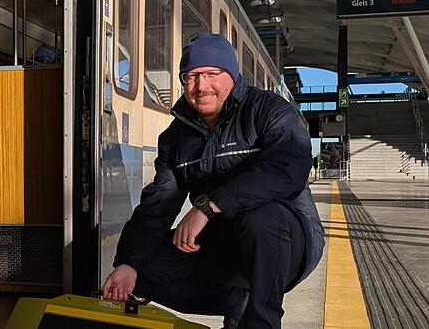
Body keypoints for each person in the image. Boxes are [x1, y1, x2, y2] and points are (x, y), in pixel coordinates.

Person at [101, 33, 324, 329]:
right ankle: (236, 300)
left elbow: (287, 169)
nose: (201, 86)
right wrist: (128, 263)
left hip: (286, 241)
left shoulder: (269, 111)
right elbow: (158, 205)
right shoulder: (175, 137)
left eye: (212, 74)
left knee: (261, 217)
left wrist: (208, 206)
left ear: (231, 75)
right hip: (222, 242)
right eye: (191, 76)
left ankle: (260, 320)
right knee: (142, 271)